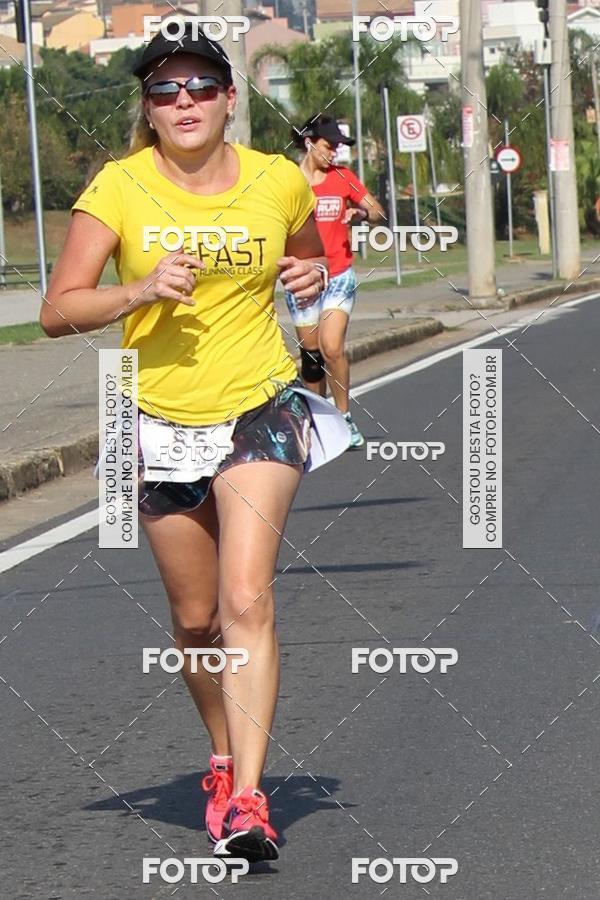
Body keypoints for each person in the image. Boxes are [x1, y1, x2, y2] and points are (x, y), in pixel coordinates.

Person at [40, 24, 350, 863]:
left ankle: (249, 798)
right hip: (157, 418)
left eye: (201, 86)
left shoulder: (276, 179)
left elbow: (311, 261)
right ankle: (221, 756)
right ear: (148, 107)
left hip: (260, 405)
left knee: (247, 598)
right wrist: (138, 289)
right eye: (165, 90)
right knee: (197, 618)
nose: (184, 102)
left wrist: (310, 277)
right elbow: (57, 308)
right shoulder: (119, 186)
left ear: (229, 99)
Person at [286, 115, 385, 449]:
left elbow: (377, 211)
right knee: (311, 358)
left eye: (337, 148)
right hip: (302, 278)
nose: (334, 154)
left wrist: (362, 213)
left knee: (331, 346)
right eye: (329, 146)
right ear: (309, 142)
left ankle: (344, 417)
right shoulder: (288, 181)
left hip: (339, 274)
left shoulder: (343, 177)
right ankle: (317, 421)